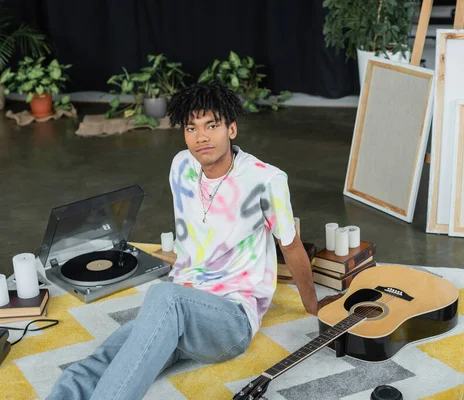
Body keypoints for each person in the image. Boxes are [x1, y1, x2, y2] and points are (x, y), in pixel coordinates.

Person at [47, 81, 341, 400]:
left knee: (164, 296)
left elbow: (291, 245)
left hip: (230, 320)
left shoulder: (265, 179)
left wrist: (313, 305)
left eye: (211, 125)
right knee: (96, 362)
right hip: (180, 310)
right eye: (192, 127)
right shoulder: (181, 166)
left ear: (232, 129)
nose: (201, 136)